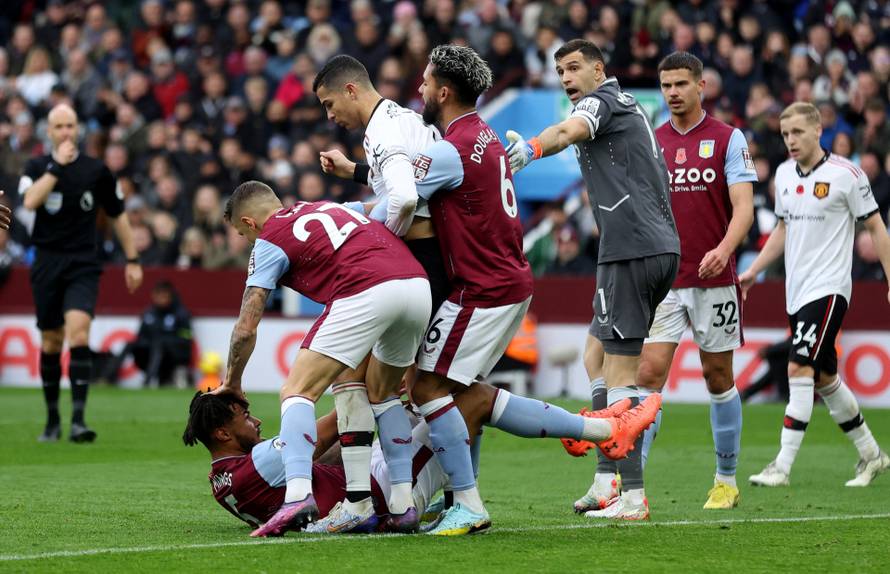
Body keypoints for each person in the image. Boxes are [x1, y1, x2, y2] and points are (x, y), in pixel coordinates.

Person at [574, 51, 757, 512]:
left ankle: (725, 479)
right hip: (663, 279)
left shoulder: (727, 139)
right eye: (666, 85)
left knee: (718, 376)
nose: (673, 92)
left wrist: (724, 249)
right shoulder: (649, 137)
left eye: (681, 84)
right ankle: (627, 483)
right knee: (646, 375)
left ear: (701, 86)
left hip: (714, 278)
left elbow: (744, 208)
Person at [506, 39, 681, 520]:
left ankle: (633, 496)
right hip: (645, 245)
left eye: (574, 67)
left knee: (621, 375)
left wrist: (532, 149)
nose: (566, 77)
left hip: (632, 248)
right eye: (560, 70)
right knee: (595, 356)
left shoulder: (601, 102)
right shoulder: (627, 106)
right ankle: (606, 481)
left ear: (599, 70)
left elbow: (569, 130)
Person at [214, 181, 432, 537]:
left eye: (243, 233)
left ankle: (298, 495)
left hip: (365, 287)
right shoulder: (328, 207)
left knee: (297, 391)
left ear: (250, 223)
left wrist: (233, 381)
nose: (249, 240)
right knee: (379, 393)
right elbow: (381, 207)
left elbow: (245, 327)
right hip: (417, 285)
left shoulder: (269, 239)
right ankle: (400, 506)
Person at [183, 382, 661, 532]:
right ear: (222, 432)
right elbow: (331, 422)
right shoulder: (264, 461)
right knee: (472, 400)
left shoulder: (223, 479)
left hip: (365, 482)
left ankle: (456, 501)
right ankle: (601, 432)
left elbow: (328, 448)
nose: (257, 421)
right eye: (244, 417)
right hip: (385, 492)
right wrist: (362, 382)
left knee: (441, 399)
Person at [312, 55, 452, 534]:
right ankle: (425, 499)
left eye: (329, 103)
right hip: (436, 260)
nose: (330, 115)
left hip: (417, 259)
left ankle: (368, 501)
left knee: (360, 378)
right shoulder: (403, 119)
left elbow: (406, 198)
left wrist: (381, 243)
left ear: (351, 90)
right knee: (406, 387)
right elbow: (407, 183)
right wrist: (355, 171)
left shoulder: (382, 131)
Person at [740, 102, 890, 488]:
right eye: (785, 134)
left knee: (798, 368)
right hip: (797, 290)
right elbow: (782, 229)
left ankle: (781, 466)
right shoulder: (783, 174)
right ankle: (872, 455)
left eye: (797, 133)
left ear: (818, 131)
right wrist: (755, 270)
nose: (790, 140)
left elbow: (876, 227)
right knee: (824, 377)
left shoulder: (846, 174)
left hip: (830, 288)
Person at [21, 104, 143, 443]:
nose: (65, 132)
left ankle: (78, 420)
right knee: (51, 340)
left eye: (70, 125)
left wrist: (133, 259)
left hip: (83, 263)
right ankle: (52, 420)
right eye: (59, 126)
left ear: (78, 129)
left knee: (78, 333)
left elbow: (118, 214)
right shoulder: (35, 167)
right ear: (49, 131)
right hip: (46, 262)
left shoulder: (96, 170)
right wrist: (56, 167)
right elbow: (30, 201)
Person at [104, 280, 193, 387]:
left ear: (170, 296)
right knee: (131, 344)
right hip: (149, 354)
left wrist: (166, 341)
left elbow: (186, 339)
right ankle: (107, 378)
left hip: (172, 356)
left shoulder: (181, 313)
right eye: (157, 295)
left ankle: (147, 382)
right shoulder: (149, 313)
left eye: (163, 296)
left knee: (159, 344)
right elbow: (140, 336)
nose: (160, 299)